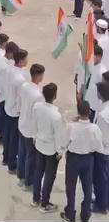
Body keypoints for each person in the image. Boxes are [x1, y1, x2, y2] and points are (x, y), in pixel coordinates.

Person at [61, 99, 103, 222]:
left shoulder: (71, 126)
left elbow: (64, 143)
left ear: (78, 112)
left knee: (70, 187)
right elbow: (98, 146)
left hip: (73, 159)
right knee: (87, 187)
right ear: (89, 112)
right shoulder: (94, 128)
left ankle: (70, 214)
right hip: (88, 159)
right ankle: (85, 214)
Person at [32, 82, 65, 214]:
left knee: (38, 172)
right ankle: (44, 204)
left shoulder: (37, 107)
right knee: (49, 177)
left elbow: (34, 124)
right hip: (51, 149)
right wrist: (60, 151)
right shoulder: (56, 115)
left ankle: (35, 199)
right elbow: (58, 136)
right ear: (55, 96)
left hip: (39, 144)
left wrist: (35, 138)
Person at [17, 64, 45, 190]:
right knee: (30, 155)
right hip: (30, 128)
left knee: (22, 151)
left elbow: (19, 102)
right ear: (38, 75)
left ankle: (21, 173)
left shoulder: (24, 86)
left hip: (22, 122)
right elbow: (38, 115)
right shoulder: (38, 95)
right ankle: (29, 180)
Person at [3, 49, 29, 173]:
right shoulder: (20, 79)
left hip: (7, 105)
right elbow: (21, 98)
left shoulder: (9, 69)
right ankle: (12, 163)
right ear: (22, 60)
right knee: (14, 139)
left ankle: (6, 157)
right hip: (15, 110)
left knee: (7, 135)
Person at [0, 42, 19, 146]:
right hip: (4, 95)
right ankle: (1, 137)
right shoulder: (4, 66)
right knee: (3, 118)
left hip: (4, 94)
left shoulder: (5, 62)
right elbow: (3, 83)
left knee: (3, 117)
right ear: (10, 53)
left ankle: (1, 136)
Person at [92, 82, 109, 215]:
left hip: (103, 151)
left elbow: (101, 138)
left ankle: (101, 205)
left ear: (100, 94)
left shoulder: (103, 115)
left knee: (100, 179)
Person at [85, 44, 106, 122]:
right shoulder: (93, 66)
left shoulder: (102, 72)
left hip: (94, 104)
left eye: (94, 55)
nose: (92, 57)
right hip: (88, 100)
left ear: (99, 56)